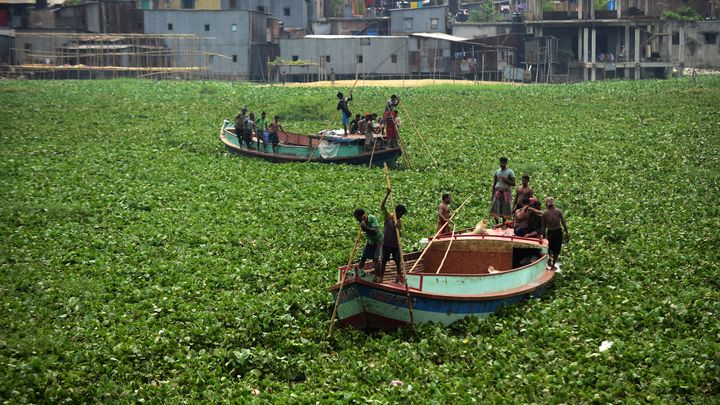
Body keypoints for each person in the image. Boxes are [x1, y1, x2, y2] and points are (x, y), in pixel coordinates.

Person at [377, 188, 408, 284]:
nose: (402, 216)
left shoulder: (399, 222)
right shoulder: (388, 217)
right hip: (386, 244)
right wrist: (386, 195)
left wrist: (398, 228)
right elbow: (382, 206)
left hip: (395, 245)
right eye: (401, 213)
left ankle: (398, 278)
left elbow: (401, 234)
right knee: (384, 261)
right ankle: (381, 277)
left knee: (397, 261)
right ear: (397, 211)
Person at [353, 208, 383, 277]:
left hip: (379, 241)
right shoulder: (361, 221)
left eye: (357, 218)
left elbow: (375, 230)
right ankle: (358, 273)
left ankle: (377, 276)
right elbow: (364, 229)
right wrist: (363, 223)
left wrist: (366, 227)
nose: (357, 219)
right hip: (370, 241)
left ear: (361, 216)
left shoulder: (372, 218)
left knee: (375, 258)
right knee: (363, 257)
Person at [542, 197, 569, 270]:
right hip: (557, 231)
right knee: (556, 249)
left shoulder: (545, 213)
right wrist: (567, 232)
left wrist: (543, 236)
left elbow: (544, 226)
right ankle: (552, 264)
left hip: (552, 232)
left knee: (550, 248)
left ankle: (550, 260)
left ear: (546, 205)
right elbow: (563, 222)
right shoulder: (558, 211)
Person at [490, 157, 515, 225]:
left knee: (505, 207)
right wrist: (492, 194)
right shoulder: (497, 172)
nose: (502, 164)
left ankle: (504, 223)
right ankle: (497, 223)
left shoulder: (510, 172)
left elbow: (513, 183)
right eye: (501, 163)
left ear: (506, 163)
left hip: (505, 192)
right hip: (497, 192)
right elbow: (494, 183)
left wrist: (506, 180)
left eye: (503, 163)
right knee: (496, 207)